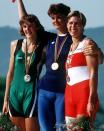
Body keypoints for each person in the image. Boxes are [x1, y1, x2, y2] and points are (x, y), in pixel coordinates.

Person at [15, 1, 103, 131]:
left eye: (59, 17)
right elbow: (27, 22)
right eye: (53, 18)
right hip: (45, 90)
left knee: (64, 128)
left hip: (63, 92)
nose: (56, 21)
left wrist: (98, 51)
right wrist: (19, 1)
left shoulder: (77, 38)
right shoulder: (49, 38)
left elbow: (98, 60)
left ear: (66, 18)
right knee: (46, 128)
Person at [2, 13, 46, 131]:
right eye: (25, 27)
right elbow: (10, 73)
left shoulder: (43, 47)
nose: (27, 29)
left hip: (30, 94)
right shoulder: (15, 44)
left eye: (30, 26)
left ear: (36, 27)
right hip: (14, 94)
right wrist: (5, 100)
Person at [65, 10, 99, 130]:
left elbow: (94, 73)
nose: (73, 26)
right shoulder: (70, 46)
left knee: (82, 129)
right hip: (69, 94)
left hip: (84, 94)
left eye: (77, 23)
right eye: (70, 23)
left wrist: (91, 100)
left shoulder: (87, 43)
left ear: (82, 26)